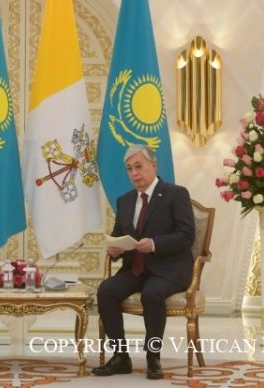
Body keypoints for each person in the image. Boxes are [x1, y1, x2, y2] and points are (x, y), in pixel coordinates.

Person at [93, 145, 195, 380]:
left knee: (152, 293)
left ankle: (153, 357)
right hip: (136, 269)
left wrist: (155, 244)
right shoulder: (125, 201)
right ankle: (121, 357)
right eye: (129, 169)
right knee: (106, 290)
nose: (134, 173)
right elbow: (118, 235)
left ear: (154, 165)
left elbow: (186, 236)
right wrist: (115, 249)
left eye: (138, 166)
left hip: (169, 269)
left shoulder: (176, 194)